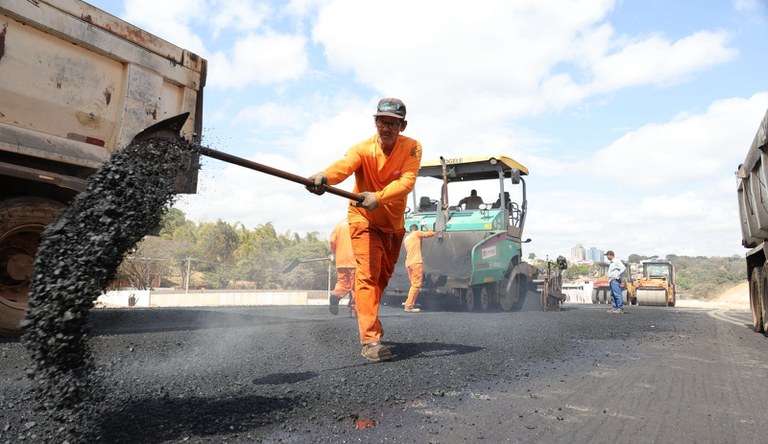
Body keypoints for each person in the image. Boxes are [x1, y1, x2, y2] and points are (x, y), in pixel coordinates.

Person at [307, 98, 422, 362]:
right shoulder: (363, 149)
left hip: (392, 226)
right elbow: (344, 165)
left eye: (392, 123)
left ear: (402, 126)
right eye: (381, 121)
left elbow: (407, 182)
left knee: (381, 278)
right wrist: (324, 177)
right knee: (368, 277)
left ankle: (371, 322)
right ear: (375, 123)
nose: (386, 127)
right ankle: (370, 341)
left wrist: (378, 197)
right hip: (363, 220)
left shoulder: (413, 148)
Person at [403, 224, 435, 312]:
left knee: (413, 285)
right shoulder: (416, 234)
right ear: (416, 230)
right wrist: (425, 225)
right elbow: (432, 233)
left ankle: (408, 303)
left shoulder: (406, 239)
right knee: (416, 285)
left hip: (408, 263)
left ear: (410, 230)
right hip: (416, 262)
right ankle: (409, 306)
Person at [329, 219, 356, 317]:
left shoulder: (339, 225)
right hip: (355, 260)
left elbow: (332, 241)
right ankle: (354, 309)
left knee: (343, 283)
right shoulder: (360, 223)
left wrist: (333, 253)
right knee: (355, 286)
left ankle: (336, 295)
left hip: (341, 260)